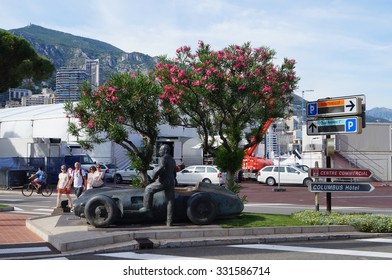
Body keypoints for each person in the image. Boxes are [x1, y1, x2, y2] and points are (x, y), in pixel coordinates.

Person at [139, 144, 177, 226]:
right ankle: (169, 222)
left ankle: (146, 207)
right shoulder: (172, 159)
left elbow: (161, 168)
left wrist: (154, 177)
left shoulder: (163, 158)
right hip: (171, 181)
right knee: (170, 201)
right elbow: (174, 173)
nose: (159, 151)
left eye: (160, 150)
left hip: (163, 181)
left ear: (165, 151)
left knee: (148, 189)